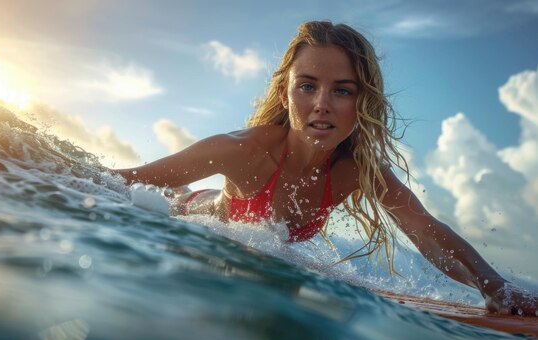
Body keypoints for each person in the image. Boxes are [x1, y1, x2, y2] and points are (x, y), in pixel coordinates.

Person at [113, 21, 538, 316]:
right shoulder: (241, 151)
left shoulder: (358, 170)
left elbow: (424, 230)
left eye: (342, 90)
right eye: (307, 86)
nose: (322, 104)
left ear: (362, 101)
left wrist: (493, 285)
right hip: (193, 223)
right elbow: (123, 182)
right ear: (286, 91)